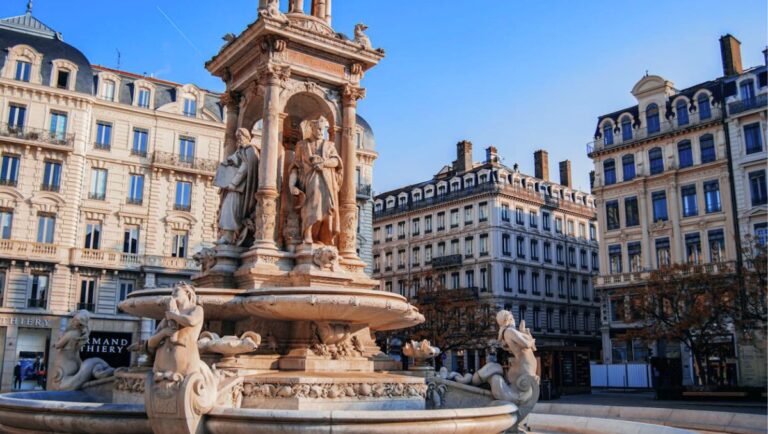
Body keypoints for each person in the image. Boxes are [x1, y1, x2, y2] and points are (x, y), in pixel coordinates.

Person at [289, 117, 343, 245]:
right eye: (318, 128)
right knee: (312, 207)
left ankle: (322, 238)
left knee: (326, 210)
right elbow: (295, 166)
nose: (321, 131)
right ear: (312, 128)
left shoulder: (329, 145)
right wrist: (292, 185)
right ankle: (307, 235)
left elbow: (337, 162)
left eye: (323, 129)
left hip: (327, 182)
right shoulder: (301, 145)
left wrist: (323, 163)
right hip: (309, 181)